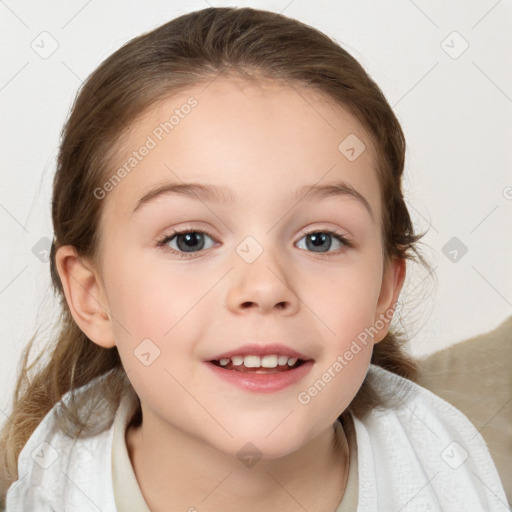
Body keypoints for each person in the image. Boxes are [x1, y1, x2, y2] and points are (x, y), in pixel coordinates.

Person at [0, 6, 507, 511]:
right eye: (190, 240)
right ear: (92, 296)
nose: (264, 287)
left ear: (383, 293)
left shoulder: (463, 481)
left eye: (320, 240)